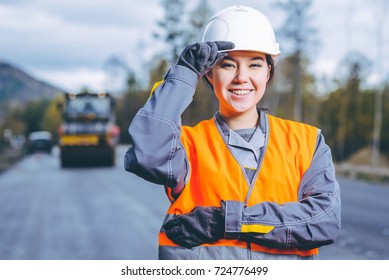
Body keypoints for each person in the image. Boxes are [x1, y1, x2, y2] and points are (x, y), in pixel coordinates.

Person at [124, 5, 341, 260]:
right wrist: (183, 75)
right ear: (209, 73)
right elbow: (147, 155)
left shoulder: (307, 143)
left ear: (269, 70)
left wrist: (226, 221)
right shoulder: (187, 146)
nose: (241, 77)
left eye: (255, 65)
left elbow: (323, 220)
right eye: (227, 65)